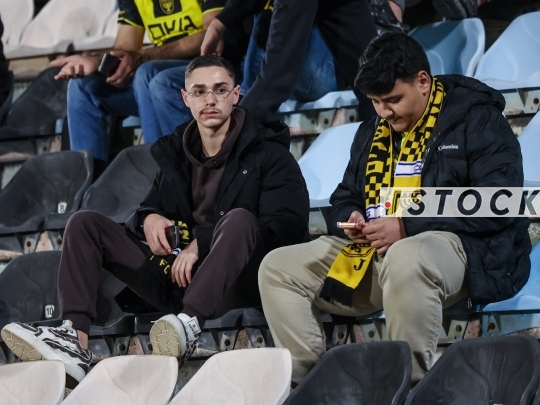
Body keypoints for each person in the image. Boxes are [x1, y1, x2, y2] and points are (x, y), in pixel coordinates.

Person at [1, 55, 310, 385]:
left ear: (236, 95)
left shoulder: (269, 155)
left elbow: (287, 231)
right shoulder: (178, 154)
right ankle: (73, 341)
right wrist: (147, 219)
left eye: (220, 90)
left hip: (239, 283)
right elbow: (146, 211)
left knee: (240, 220)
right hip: (178, 281)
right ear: (185, 98)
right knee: (84, 223)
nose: (210, 100)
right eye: (200, 91)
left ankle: (189, 325)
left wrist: (203, 243)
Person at [258, 32, 531, 385]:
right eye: (375, 102)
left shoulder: (477, 118)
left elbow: (499, 201)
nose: (384, 112)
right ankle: (312, 385)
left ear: (423, 81)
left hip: (464, 251)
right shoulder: (373, 129)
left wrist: (407, 225)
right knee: (277, 268)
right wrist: (351, 217)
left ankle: (410, 387)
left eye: (393, 100)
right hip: (377, 252)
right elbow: (346, 195)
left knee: (406, 255)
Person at [51, 0, 225, 175]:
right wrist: (97, 62)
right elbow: (125, 48)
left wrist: (145, 57)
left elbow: (212, 33)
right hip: (153, 79)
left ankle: (160, 178)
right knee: (82, 86)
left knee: (147, 73)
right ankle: (88, 186)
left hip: (209, 71)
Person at [201, 0, 379, 122]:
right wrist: (220, 23)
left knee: (376, 82)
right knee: (375, 82)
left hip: (320, 78)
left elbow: (277, 78)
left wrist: (230, 135)